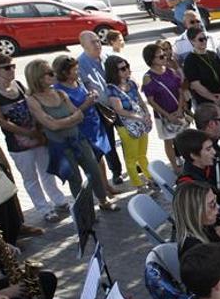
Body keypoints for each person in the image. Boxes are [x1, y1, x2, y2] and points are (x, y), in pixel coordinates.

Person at [0, 53, 68, 224]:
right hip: (18, 143)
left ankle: (59, 200)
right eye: (7, 68)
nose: (12, 70)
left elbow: (33, 106)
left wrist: (39, 129)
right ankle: (44, 208)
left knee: (47, 170)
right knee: (30, 178)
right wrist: (26, 132)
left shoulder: (18, 84)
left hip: (37, 136)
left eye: (13, 66)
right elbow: (1, 121)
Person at [24, 59, 116, 212]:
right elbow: (52, 125)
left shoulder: (60, 93)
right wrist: (69, 120)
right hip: (61, 146)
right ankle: (86, 211)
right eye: (50, 73)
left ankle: (103, 200)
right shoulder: (33, 100)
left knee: (94, 169)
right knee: (75, 179)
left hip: (78, 139)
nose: (54, 75)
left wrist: (62, 121)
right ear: (38, 77)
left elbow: (78, 116)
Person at [76, 31, 123, 186]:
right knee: (108, 143)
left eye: (98, 41)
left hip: (119, 104)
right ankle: (116, 171)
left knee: (128, 137)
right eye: (93, 42)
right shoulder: (80, 64)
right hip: (101, 109)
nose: (97, 45)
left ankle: (134, 162)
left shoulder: (107, 57)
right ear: (83, 45)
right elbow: (82, 87)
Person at [105, 55, 157, 194]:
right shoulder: (111, 89)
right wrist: (139, 117)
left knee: (142, 154)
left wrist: (147, 114)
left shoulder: (131, 83)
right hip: (126, 127)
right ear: (114, 72)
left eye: (127, 66)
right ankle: (138, 185)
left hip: (140, 123)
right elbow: (119, 110)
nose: (127, 70)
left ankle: (149, 177)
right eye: (122, 68)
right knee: (131, 158)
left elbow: (140, 100)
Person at [141, 43, 188, 174]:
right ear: (151, 60)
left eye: (164, 54)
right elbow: (151, 101)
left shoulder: (170, 71)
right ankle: (175, 166)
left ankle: (188, 161)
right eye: (161, 56)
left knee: (184, 138)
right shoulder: (148, 78)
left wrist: (180, 109)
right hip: (163, 116)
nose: (165, 57)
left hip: (178, 112)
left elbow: (180, 91)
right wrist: (167, 115)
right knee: (169, 141)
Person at [184, 26, 220, 120]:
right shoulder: (190, 61)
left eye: (205, 38)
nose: (204, 41)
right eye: (200, 39)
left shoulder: (212, 54)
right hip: (206, 102)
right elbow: (196, 85)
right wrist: (214, 98)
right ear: (192, 41)